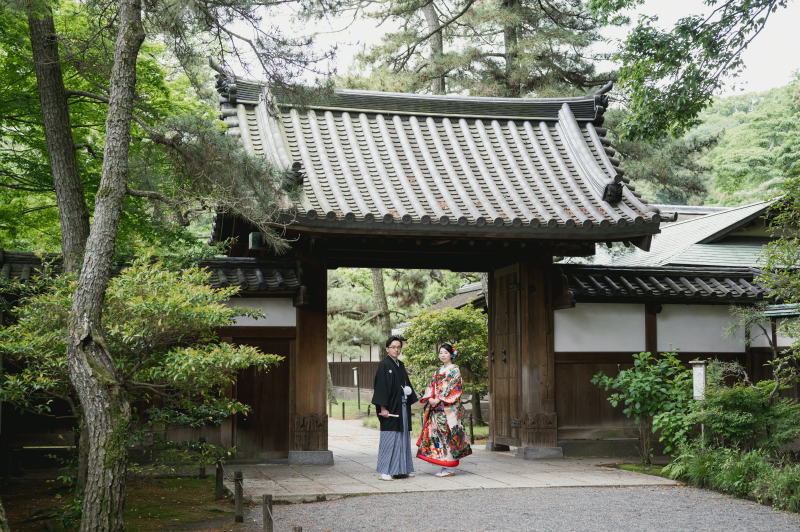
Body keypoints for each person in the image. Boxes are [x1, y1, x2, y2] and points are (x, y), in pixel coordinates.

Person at [416, 342, 472, 477]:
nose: (442, 355)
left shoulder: (455, 370)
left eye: (445, 353)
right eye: (440, 353)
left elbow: (453, 387)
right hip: (435, 408)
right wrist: (429, 397)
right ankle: (444, 465)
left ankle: (450, 467)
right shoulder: (437, 371)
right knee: (438, 435)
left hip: (447, 408)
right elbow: (430, 386)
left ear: (451, 354)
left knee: (448, 435)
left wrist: (439, 399)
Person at [371, 335, 418, 481]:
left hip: (402, 407)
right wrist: (383, 408)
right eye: (393, 347)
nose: (396, 350)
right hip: (390, 408)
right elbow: (381, 387)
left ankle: (403, 469)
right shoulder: (384, 365)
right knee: (389, 438)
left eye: (398, 347)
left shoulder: (401, 365)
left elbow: (406, 384)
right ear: (387, 349)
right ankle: (385, 471)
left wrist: (407, 392)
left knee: (403, 438)